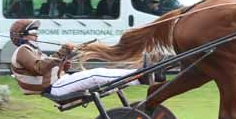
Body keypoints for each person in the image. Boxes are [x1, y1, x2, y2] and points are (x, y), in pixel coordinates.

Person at [9, 19, 140, 97]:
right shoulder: (22, 51)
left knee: (98, 75)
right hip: (55, 87)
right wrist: (62, 52)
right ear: (22, 35)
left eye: (37, 32)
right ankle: (138, 77)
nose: (37, 35)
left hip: (59, 82)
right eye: (33, 32)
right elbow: (40, 68)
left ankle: (137, 75)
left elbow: (46, 66)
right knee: (95, 74)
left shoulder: (32, 50)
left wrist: (63, 64)